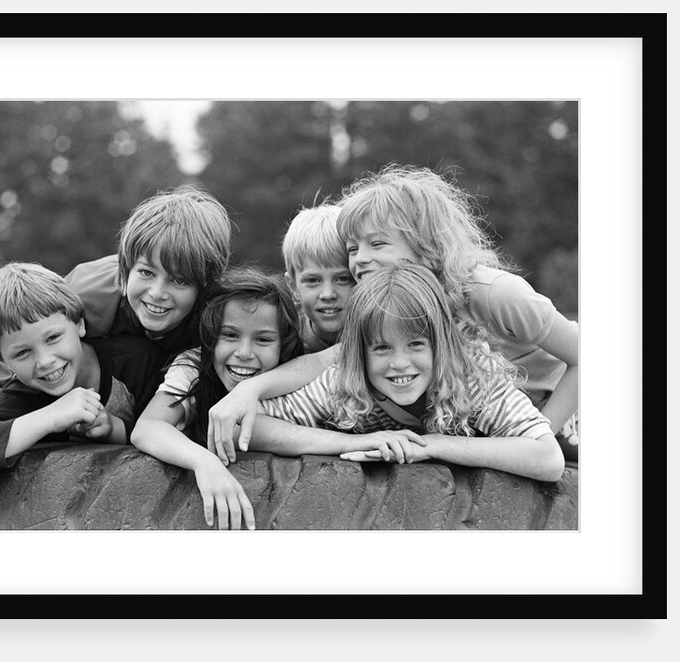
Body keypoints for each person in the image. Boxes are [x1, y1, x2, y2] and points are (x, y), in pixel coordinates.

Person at [209, 164, 579, 464]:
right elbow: (324, 362)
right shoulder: (387, 314)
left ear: (425, 245)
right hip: (482, 414)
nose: (360, 260)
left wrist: (539, 434)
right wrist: (251, 390)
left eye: (377, 244)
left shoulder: (494, 293)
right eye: (352, 248)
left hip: (560, 406)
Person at [248, 264, 565, 483]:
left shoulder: (473, 377)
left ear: (440, 345)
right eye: (382, 348)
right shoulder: (345, 381)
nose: (400, 363)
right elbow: (248, 425)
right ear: (359, 353)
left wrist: (430, 445)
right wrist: (350, 442)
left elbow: (548, 458)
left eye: (415, 344)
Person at [0, 184, 232, 415]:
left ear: (204, 286)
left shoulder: (220, 317)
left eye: (180, 280)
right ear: (126, 268)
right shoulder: (84, 293)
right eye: (146, 272)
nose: (157, 292)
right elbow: (16, 332)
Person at [0, 263, 167, 492]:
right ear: (3, 361)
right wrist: (52, 416)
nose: (45, 361)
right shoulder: (23, 394)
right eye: (23, 352)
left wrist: (113, 429)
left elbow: (181, 430)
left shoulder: (139, 361)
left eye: (53, 338)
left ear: (79, 324)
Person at [130, 267, 305, 530]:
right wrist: (203, 462)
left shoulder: (295, 373)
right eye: (230, 335)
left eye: (263, 339)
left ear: (284, 345)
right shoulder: (194, 366)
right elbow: (146, 427)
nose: (244, 352)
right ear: (211, 337)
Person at [281, 203, 355, 353]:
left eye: (342, 279)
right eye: (312, 281)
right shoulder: (281, 343)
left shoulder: (384, 334)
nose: (328, 294)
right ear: (293, 285)